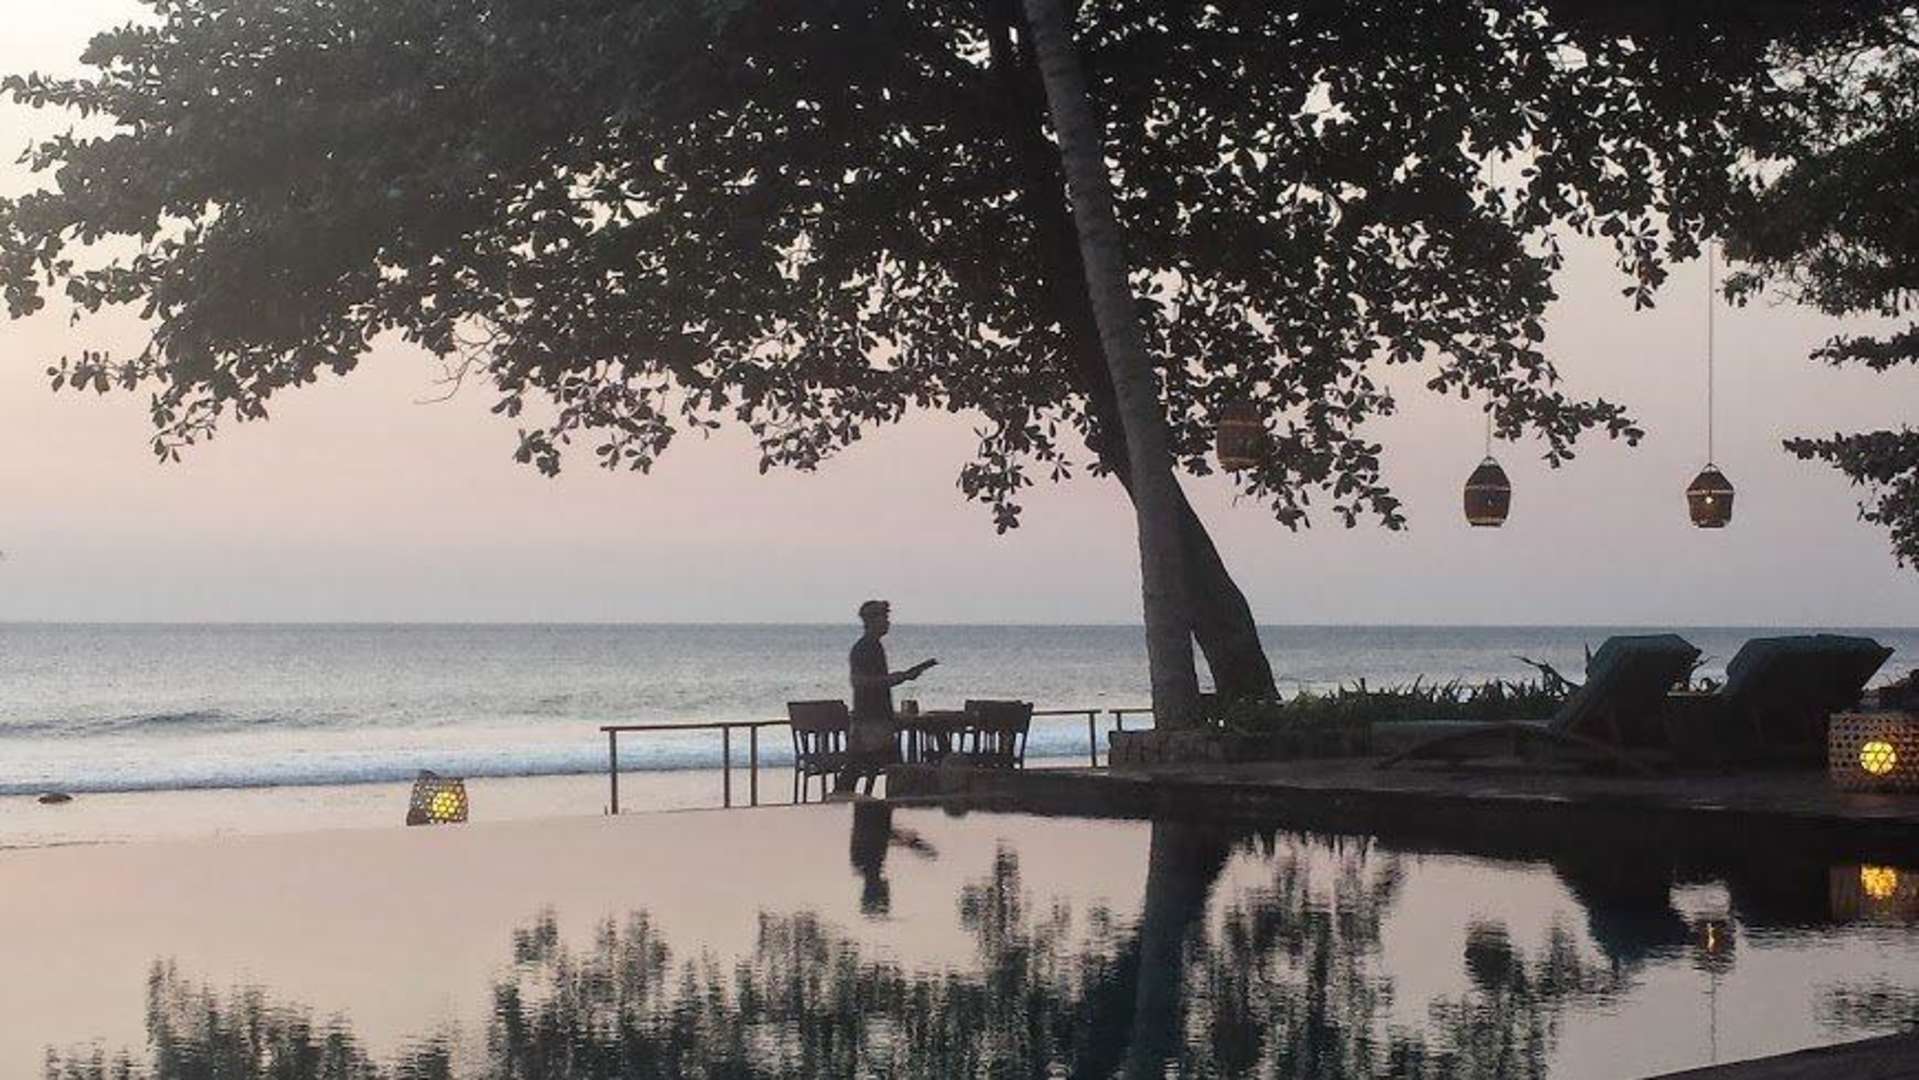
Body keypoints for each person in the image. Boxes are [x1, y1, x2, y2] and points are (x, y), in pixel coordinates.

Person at [843, 599, 937, 794]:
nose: (887, 622)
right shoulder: (865, 648)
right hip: (871, 720)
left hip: (874, 718)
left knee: (863, 766)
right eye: (883, 618)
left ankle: (850, 799)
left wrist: (899, 677)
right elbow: (860, 681)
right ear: (871, 621)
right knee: (887, 767)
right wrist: (899, 677)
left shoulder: (872, 646)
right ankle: (892, 800)